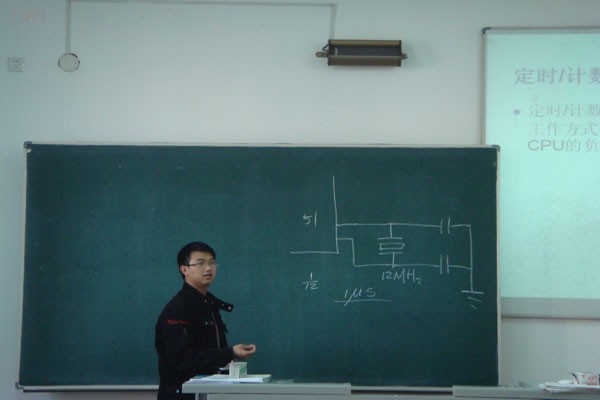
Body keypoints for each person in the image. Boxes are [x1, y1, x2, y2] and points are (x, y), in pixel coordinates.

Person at [155, 241, 257, 400]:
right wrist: (229, 352)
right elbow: (182, 358)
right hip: (183, 395)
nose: (208, 268)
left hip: (207, 392)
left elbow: (210, 351)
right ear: (184, 269)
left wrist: (230, 355)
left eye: (212, 263)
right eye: (200, 263)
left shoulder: (209, 305)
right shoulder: (178, 308)